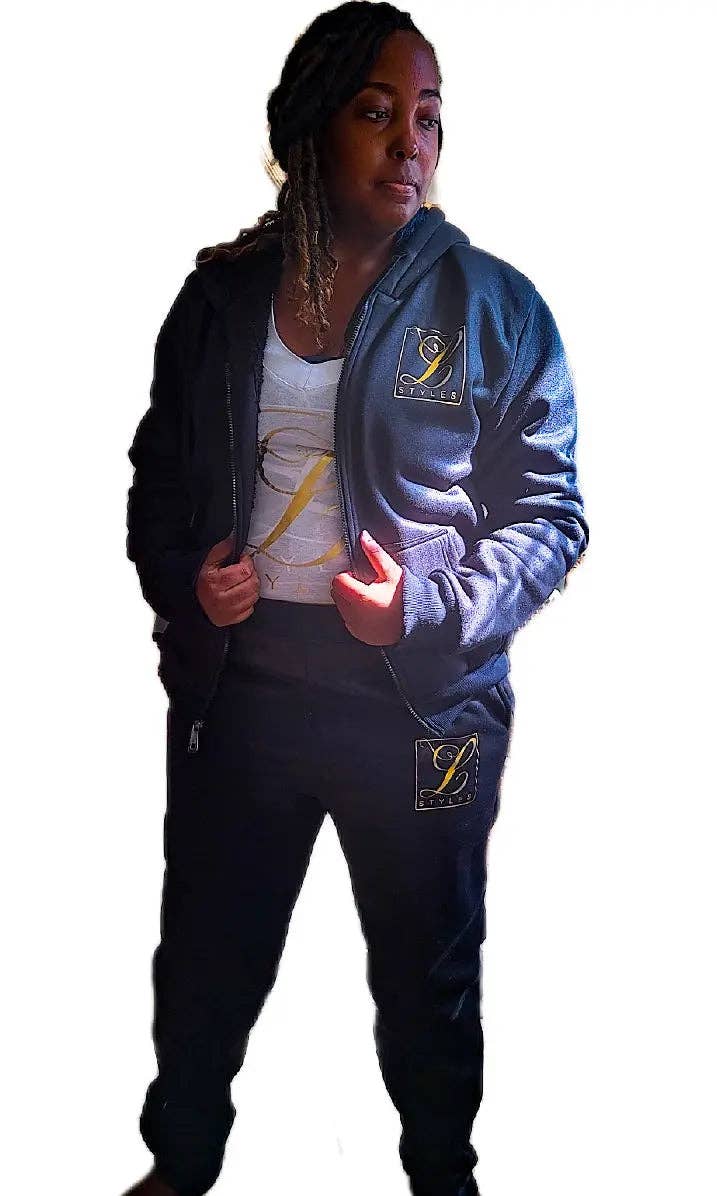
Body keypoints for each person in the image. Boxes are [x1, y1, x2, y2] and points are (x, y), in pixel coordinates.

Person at [122, 3, 589, 1194]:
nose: (409, 141)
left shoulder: (495, 307)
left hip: (424, 709)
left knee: (431, 970)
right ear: (310, 130)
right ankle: (180, 1165)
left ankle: (442, 1174)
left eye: (427, 116)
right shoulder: (220, 301)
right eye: (377, 111)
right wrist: (190, 579)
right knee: (208, 953)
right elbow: (157, 483)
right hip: (247, 695)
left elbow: (550, 516)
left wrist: (425, 607)